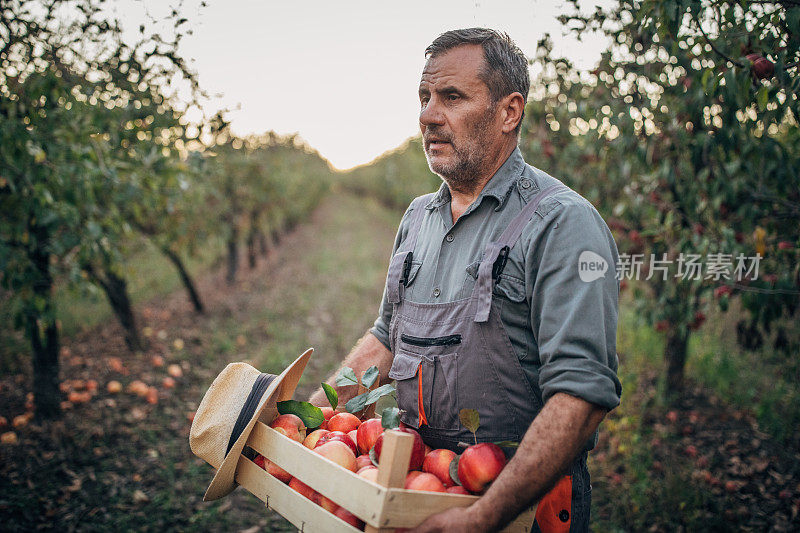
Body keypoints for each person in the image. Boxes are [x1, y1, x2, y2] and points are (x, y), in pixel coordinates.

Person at [309, 28, 621, 532]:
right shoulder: (418, 219)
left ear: (509, 112)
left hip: (522, 511)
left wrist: (483, 518)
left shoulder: (562, 224)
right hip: (424, 488)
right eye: (424, 98)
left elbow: (581, 395)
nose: (428, 115)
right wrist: (309, 420)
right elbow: (386, 340)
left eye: (451, 97)